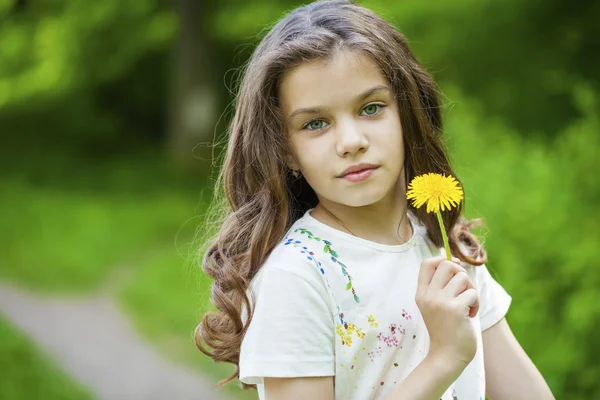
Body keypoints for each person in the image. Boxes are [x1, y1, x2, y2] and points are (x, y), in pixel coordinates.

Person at [194, 1, 555, 399]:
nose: (351, 142)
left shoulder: (444, 248)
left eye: (371, 108)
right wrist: (442, 360)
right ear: (286, 151)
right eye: (316, 123)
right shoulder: (299, 277)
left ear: (407, 114)